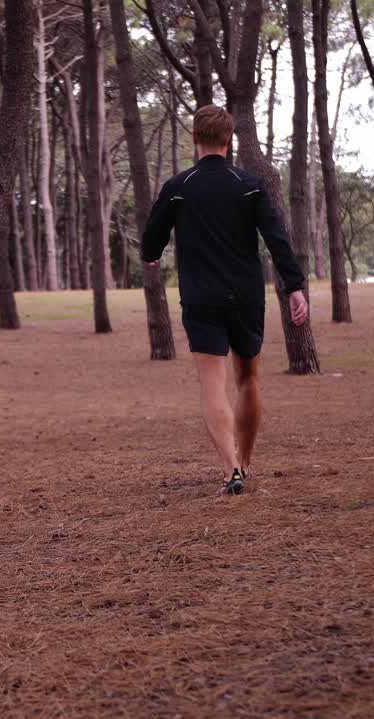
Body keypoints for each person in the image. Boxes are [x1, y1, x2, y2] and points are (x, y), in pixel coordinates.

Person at [141, 105, 308, 496]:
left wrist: (151, 254)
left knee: (212, 385)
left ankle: (231, 467)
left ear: (195, 138)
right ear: (229, 141)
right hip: (247, 296)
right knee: (248, 378)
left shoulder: (178, 187)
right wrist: (294, 286)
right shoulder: (249, 184)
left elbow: (151, 242)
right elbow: (277, 239)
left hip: (201, 299)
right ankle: (246, 463)